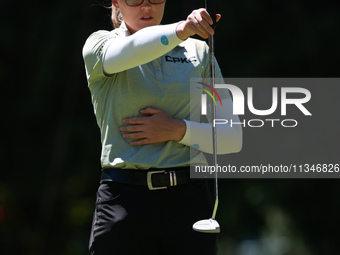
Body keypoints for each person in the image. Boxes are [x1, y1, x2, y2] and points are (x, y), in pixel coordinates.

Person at [82, 0, 242, 254]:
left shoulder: (198, 51)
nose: (147, 6)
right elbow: (132, 49)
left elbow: (232, 137)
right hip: (125, 199)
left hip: (189, 200)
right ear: (116, 3)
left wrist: (177, 129)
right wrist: (182, 29)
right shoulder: (100, 45)